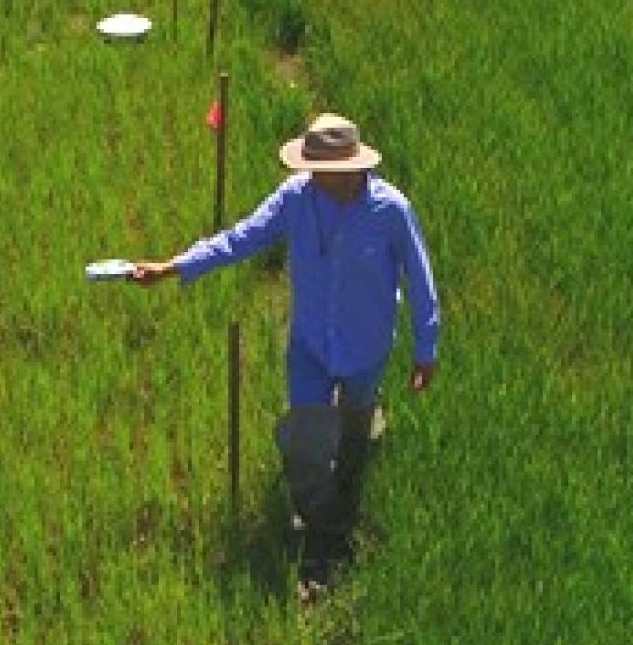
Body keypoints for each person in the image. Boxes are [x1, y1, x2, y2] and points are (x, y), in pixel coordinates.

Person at [132, 113, 440, 601]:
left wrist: (426, 349)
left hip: (366, 346)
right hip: (312, 346)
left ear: (349, 166)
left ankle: (355, 461)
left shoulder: (390, 210)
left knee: (356, 429)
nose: (311, 174)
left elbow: (420, 281)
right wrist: (173, 267)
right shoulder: (295, 200)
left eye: (320, 166)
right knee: (306, 443)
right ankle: (328, 533)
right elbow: (240, 237)